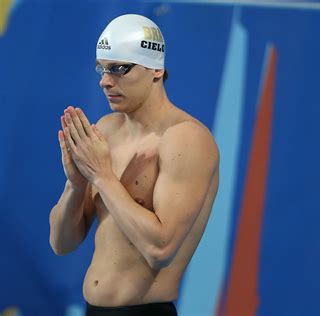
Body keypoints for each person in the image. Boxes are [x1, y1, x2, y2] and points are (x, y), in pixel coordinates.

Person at [49, 14, 219, 316]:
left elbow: (160, 250)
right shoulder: (108, 129)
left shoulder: (186, 139)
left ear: (155, 68)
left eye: (119, 69)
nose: (104, 80)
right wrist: (75, 185)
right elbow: (61, 243)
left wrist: (101, 176)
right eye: (101, 68)